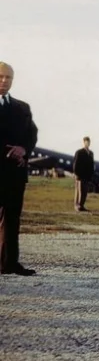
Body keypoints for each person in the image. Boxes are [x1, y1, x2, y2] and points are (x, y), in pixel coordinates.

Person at [0, 62, 38, 276]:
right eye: (1, 76)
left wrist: (23, 149)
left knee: (12, 219)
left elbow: (32, 135)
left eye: (8, 78)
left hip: (15, 172)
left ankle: (9, 263)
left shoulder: (22, 108)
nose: (4, 81)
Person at [72, 136, 95, 211]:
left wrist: (91, 174)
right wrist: (76, 173)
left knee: (85, 191)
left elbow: (92, 164)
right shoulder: (79, 152)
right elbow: (76, 164)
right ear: (84, 142)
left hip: (87, 175)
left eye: (89, 142)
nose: (88, 143)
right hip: (80, 175)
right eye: (86, 142)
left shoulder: (91, 153)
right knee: (79, 191)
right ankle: (77, 205)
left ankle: (81, 205)